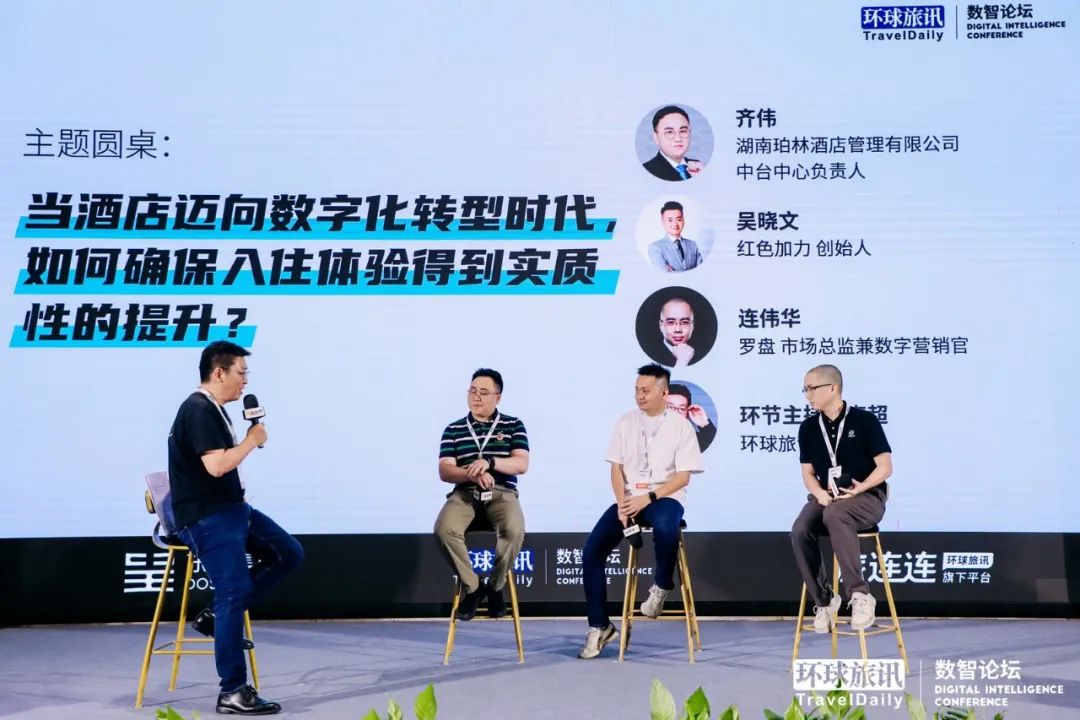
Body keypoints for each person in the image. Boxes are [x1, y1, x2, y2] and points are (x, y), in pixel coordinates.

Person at [168, 340, 303, 715]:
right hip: (206, 516)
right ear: (219, 372)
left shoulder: (213, 409)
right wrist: (252, 440)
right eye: (241, 373)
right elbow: (216, 466)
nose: (245, 381)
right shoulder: (198, 410)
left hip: (231, 509)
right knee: (234, 590)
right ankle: (232, 690)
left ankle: (213, 617)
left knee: (289, 554)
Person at [578, 364, 703, 659]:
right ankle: (600, 626)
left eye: (646, 390)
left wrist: (649, 497)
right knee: (591, 551)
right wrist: (622, 502)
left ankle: (661, 586)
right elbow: (616, 468)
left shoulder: (681, 426)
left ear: (664, 392)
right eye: (637, 390)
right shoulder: (625, 422)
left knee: (666, 527)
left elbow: (683, 477)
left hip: (664, 497)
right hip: (630, 499)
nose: (640, 396)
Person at [790, 364, 892, 634]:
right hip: (827, 498)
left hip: (866, 497)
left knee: (837, 513)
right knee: (800, 529)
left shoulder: (865, 421)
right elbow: (808, 473)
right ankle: (825, 600)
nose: (808, 395)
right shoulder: (808, 428)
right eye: (805, 390)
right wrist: (820, 494)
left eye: (812, 388)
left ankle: (860, 595)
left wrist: (860, 488)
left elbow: (885, 467)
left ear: (832, 388)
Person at [434, 369, 530, 621]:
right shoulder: (454, 429)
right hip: (465, 492)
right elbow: (445, 470)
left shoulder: (513, 425)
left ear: (498, 397)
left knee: (514, 530)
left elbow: (521, 464)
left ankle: (495, 586)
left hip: (501, 492)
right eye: (472, 391)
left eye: (483, 392)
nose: (476, 397)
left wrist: (489, 462)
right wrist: (471, 474)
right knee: (444, 529)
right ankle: (474, 587)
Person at [642, 105, 705, 181]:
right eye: (669, 132)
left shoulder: (698, 167)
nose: (678, 139)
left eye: (683, 131)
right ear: (656, 137)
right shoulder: (647, 170)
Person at [648, 201, 703, 272]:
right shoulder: (655, 248)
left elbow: (701, 271)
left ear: (683, 221)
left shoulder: (693, 245)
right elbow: (664, 274)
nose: (675, 224)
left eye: (679, 219)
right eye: (670, 220)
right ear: (663, 222)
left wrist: (674, 272)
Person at [666, 384, 716, 452]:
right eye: (670, 407)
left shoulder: (695, 441)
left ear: (687, 413)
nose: (676, 413)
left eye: (682, 409)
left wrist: (704, 423)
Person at [658, 297, 696, 367]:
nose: (678, 330)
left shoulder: (701, 354)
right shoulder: (653, 354)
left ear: (692, 325)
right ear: (661, 325)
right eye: (671, 322)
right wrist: (682, 361)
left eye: (684, 322)